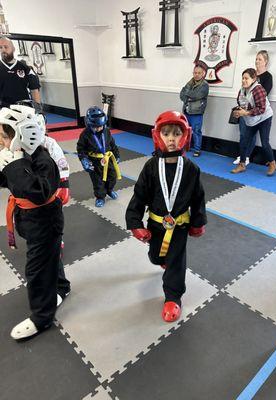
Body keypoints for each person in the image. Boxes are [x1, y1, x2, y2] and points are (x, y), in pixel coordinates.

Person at [125, 111, 206, 322]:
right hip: (156, 223)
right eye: (166, 133)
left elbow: (198, 198)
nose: (171, 138)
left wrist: (197, 222)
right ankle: (161, 259)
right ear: (157, 136)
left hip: (179, 225)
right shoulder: (151, 167)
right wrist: (135, 223)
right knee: (156, 256)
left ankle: (173, 297)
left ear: (185, 136)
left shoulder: (191, 169)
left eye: (177, 133)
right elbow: (139, 195)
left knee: (176, 261)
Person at [0, 104, 70, 340]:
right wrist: (9, 164)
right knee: (51, 257)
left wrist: (13, 166)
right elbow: (7, 179)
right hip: (31, 221)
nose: (1, 141)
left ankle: (42, 317)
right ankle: (61, 288)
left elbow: (37, 192)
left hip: (45, 222)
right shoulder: (21, 156)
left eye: (3, 136)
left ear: (21, 136)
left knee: (36, 269)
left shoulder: (43, 160)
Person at [231, 68, 276, 176]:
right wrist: (238, 112)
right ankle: (242, 165)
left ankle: (273, 164)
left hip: (264, 118)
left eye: (246, 78)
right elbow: (241, 104)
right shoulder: (241, 90)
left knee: (265, 143)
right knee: (244, 141)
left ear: (254, 79)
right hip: (252, 119)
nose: (244, 81)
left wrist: (245, 113)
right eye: (242, 78)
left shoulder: (258, 89)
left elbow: (261, 109)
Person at [234, 50, 273, 165]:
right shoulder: (249, 74)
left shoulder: (266, 78)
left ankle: (247, 157)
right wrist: (241, 110)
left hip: (259, 113)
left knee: (260, 140)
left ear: (265, 62)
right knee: (243, 135)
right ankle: (242, 158)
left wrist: (248, 111)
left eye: (260, 59)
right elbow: (243, 93)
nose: (257, 61)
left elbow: (262, 97)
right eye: (256, 59)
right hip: (245, 110)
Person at [77, 106, 121, 207]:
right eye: (95, 127)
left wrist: (117, 155)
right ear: (89, 124)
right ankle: (100, 197)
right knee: (98, 182)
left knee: (112, 177)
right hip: (94, 162)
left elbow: (113, 144)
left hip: (107, 159)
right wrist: (84, 160)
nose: (98, 128)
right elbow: (81, 148)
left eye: (101, 126)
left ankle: (109, 190)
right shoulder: (85, 134)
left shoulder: (106, 131)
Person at [0, 36, 41, 107]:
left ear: (13, 49)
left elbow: (34, 89)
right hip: (3, 110)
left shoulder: (25, 68)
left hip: (24, 108)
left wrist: (38, 109)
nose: (3, 50)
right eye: (0, 47)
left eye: (6, 47)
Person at [180, 64, 209, 157]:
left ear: (203, 74)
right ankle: (185, 147)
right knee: (185, 130)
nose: (196, 75)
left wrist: (187, 95)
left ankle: (197, 150)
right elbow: (181, 95)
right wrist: (188, 96)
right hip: (186, 111)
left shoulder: (205, 85)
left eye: (199, 73)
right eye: (195, 73)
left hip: (196, 113)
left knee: (196, 131)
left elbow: (197, 95)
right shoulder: (189, 83)